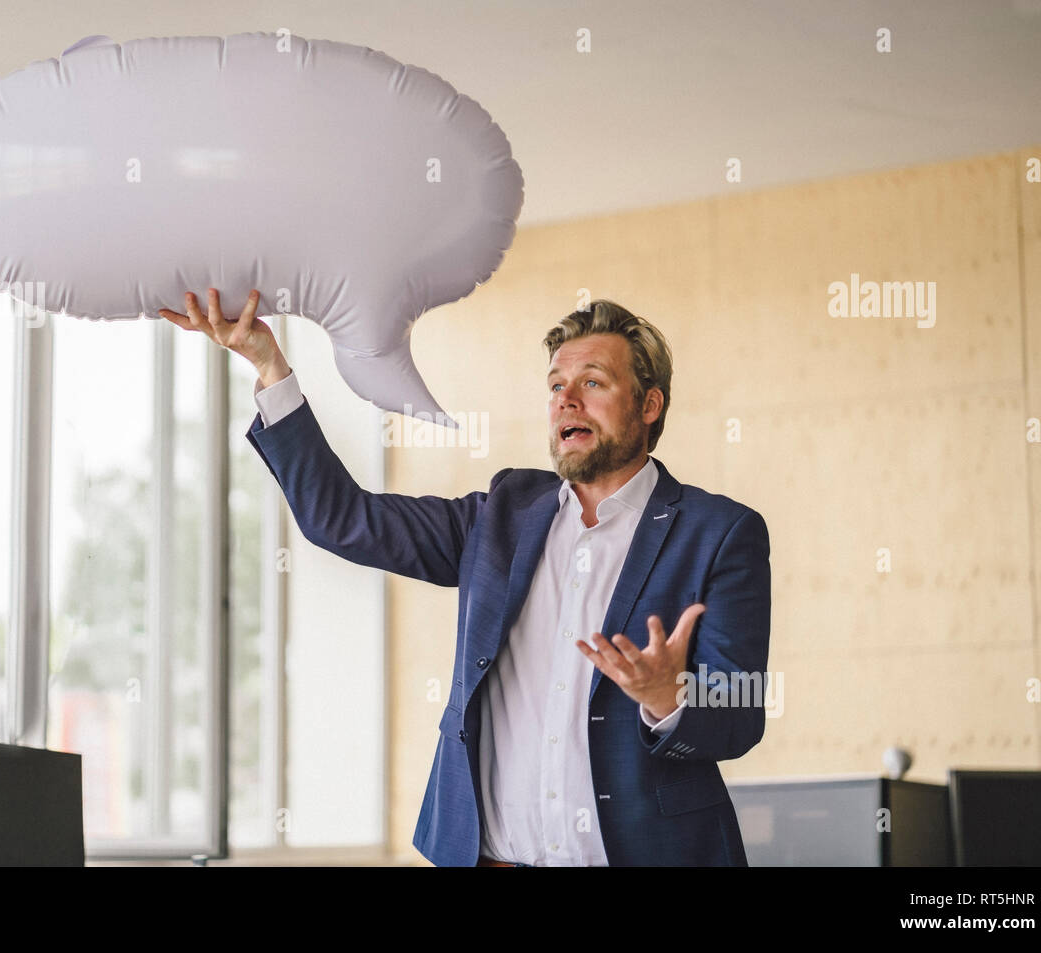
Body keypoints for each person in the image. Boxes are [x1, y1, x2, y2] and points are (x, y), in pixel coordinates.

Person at [160, 289, 771, 866]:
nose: (566, 399)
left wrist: (669, 699)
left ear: (649, 404)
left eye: (593, 383)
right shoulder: (502, 515)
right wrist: (270, 366)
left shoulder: (719, 534)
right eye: (556, 385)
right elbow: (342, 519)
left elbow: (739, 716)